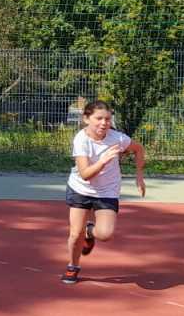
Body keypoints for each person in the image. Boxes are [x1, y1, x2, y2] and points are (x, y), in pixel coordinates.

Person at [61, 99, 146, 285]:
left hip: (107, 191)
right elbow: (85, 174)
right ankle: (73, 266)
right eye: (98, 118)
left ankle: (89, 232)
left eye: (107, 119)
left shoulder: (118, 138)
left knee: (105, 234)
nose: (104, 123)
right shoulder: (81, 140)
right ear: (86, 119)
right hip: (80, 189)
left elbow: (138, 149)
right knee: (75, 235)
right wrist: (103, 160)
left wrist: (139, 175)